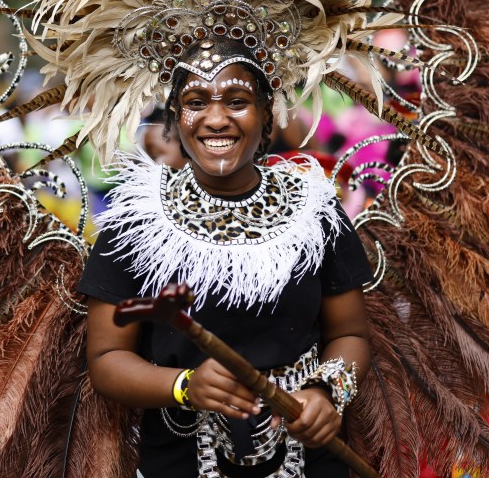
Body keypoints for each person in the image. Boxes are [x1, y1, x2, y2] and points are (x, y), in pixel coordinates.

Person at [79, 39, 374, 477]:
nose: (216, 119)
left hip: (308, 457)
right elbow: (105, 360)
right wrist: (183, 385)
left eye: (237, 102)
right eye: (196, 102)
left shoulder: (315, 212)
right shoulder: (136, 220)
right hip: (181, 459)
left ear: (266, 113)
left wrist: (327, 393)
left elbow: (351, 334)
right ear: (177, 117)